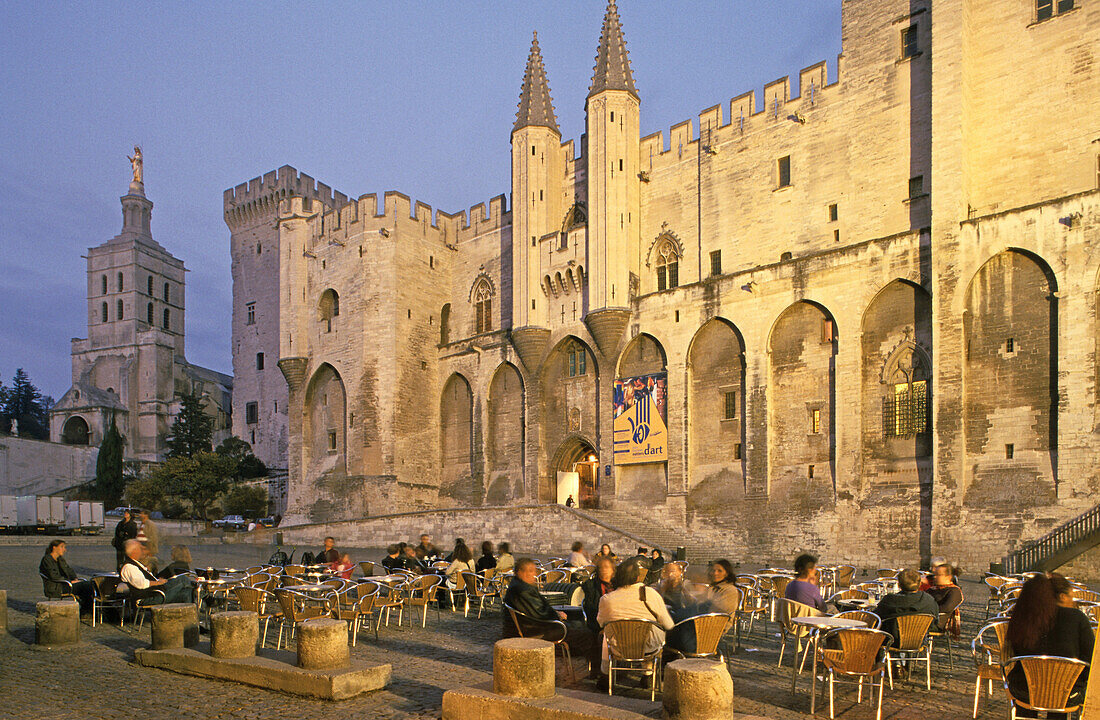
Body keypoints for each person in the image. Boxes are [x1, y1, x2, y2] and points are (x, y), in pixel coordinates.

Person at [1006, 573, 1093, 718]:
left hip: (1025, 691)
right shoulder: (1077, 618)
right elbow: (1090, 658)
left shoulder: (1024, 616)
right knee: (1061, 692)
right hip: (1067, 693)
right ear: (1061, 596)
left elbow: (1016, 653)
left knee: (1027, 686)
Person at [504, 557, 596, 670]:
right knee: (585, 631)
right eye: (530, 571)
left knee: (578, 627)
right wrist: (558, 616)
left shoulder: (518, 586)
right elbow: (540, 613)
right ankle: (595, 669)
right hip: (535, 629)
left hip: (530, 625)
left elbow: (536, 609)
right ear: (520, 572)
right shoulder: (523, 590)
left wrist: (555, 613)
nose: (533, 574)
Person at [596, 556, 674, 682]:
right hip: (648, 648)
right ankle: (648, 675)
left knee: (607, 633)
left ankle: (605, 674)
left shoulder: (607, 599)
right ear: (638, 577)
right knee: (652, 632)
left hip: (619, 648)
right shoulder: (650, 593)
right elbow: (668, 624)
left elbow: (600, 622)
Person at [872, 568, 940, 648]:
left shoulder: (889, 600)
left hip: (892, 640)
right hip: (920, 640)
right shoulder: (929, 600)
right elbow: (934, 621)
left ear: (899, 584)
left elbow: (875, 618)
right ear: (919, 584)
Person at [119, 539, 191, 604]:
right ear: (134, 552)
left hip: (155, 592)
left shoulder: (136, 564)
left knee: (186, 592)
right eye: (140, 549)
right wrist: (158, 582)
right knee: (182, 579)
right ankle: (201, 593)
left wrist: (158, 581)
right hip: (148, 597)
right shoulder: (129, 567)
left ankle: (191, 616)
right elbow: (141, 584)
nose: (143, 551)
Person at [39, 539, 94, 613]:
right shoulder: (47, 560)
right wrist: (70, 581)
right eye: (62, 547)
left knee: (90, 585)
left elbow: (69, 570)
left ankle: (88, 610)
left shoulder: (60, 559)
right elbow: (53, 576)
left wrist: (75, 578)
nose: (64, 550)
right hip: (57, 587)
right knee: (87, 586)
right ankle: (86, 611)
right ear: (54, 548)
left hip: (65, 584)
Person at [925, 563, 963, 638]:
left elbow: (946, 608)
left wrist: (926, 610)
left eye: (938, 575)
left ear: (948, 577)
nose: (934, 577)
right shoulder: (932, 589)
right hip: (925, 618)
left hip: (937, 623)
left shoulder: (954, 591)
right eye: (934, 574)